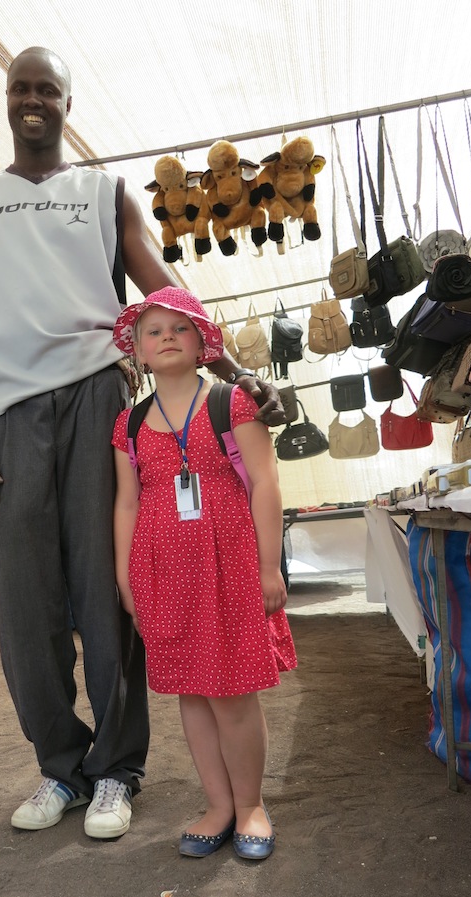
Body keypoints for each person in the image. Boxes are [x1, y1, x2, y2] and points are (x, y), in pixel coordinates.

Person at [0, 46, 283, 840]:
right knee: (24, 601)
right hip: (8, 411)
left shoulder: (105, 192)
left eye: (48, 90)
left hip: (98, 398)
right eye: (20, 88)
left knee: (109, 588)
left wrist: (235, 371)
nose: (33, 100)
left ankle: (116, 771)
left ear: (68, 104)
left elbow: (165, 289)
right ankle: (60, 767)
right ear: (5, 98)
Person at [111, 288, 296, 859]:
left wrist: (269, 567)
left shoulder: (231, 402)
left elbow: (265, 482)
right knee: (191, 693)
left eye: (180, 328)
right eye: (153, 330)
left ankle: (251, 806)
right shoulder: (129, 423)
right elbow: (127, 503)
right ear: (139, 351)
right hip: (163, 575)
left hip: (231, 568)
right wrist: (126, 580)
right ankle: (218, 806)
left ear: (202, 343)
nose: (166, 336)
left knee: (233, 695)